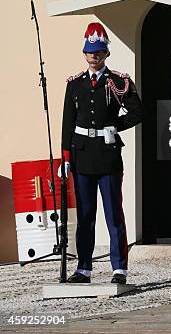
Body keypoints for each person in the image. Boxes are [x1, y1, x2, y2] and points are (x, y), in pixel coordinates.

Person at [58, 22, 142, 284]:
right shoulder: (75, 85)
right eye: (90, 51)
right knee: (85, 216)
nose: (94, 56)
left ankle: (119, 269)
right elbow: (67, 124)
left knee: (114, 215)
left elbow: (138, 112)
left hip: (107, 155)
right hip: (82, 156)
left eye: (98, 52)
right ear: (84, 53)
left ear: (106, 53)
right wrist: (66, 159)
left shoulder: (118, 82)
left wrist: (115, 125)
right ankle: (84, 268)